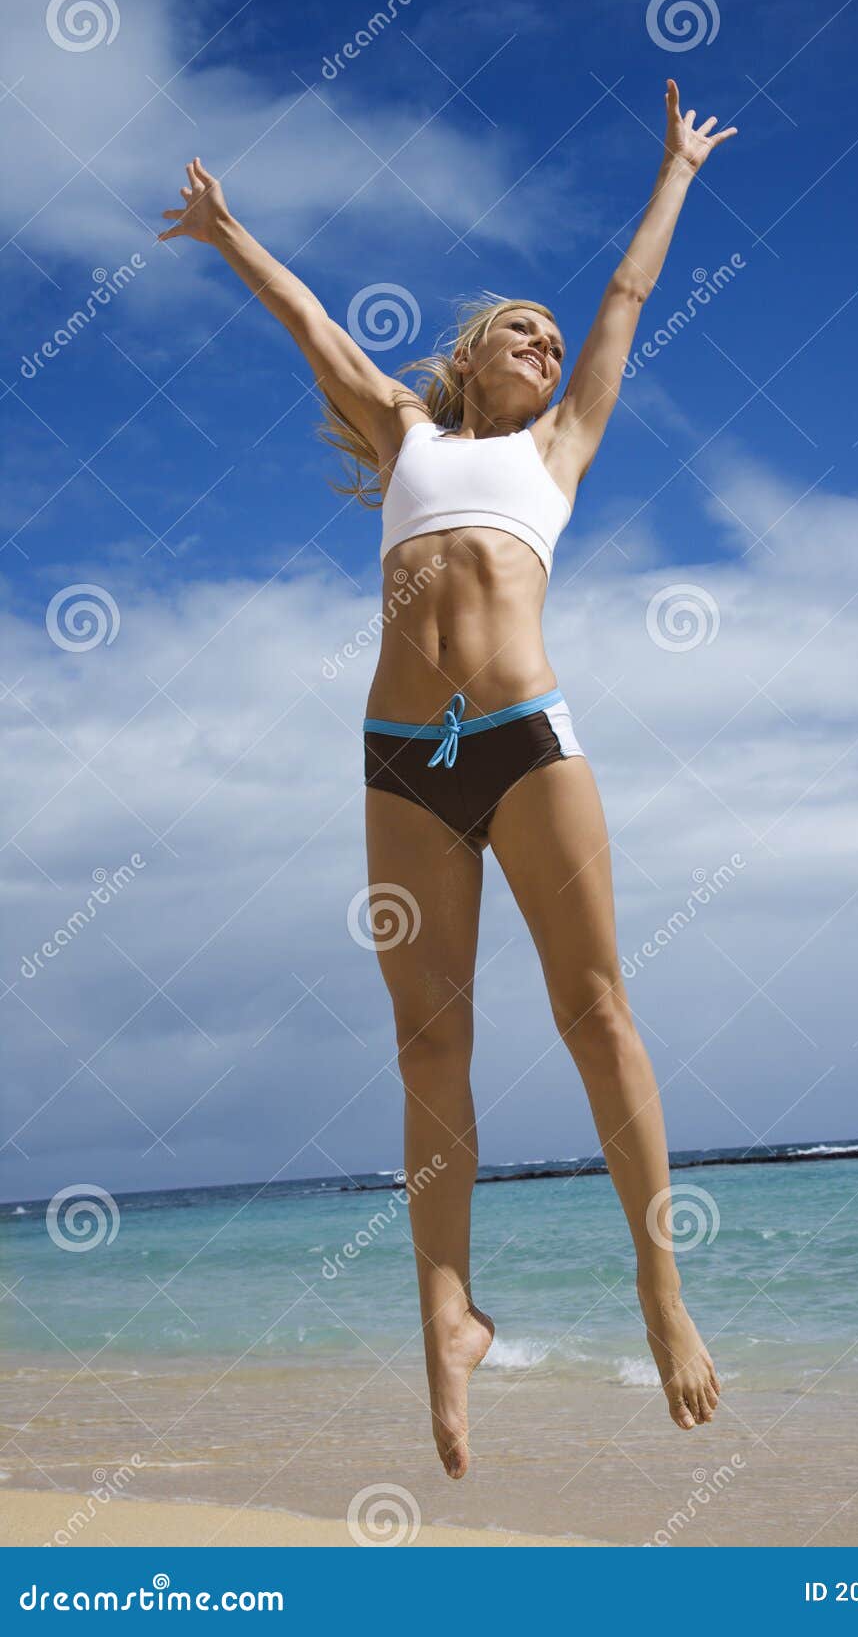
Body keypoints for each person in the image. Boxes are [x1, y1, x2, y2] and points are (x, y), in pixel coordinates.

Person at [158, 79, 737, 1480]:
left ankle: (659, 1283)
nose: (544, 341)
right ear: (469, 362)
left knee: (596, 1008)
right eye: (516, 332)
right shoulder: (407, 439)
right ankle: (447, 1311)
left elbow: (624, 301)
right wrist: (229, 233)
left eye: (548, 336)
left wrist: (673, 171)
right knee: (429, 1046)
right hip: (399, 764)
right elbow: (311, 324)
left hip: (529, 742)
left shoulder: (560, 451)